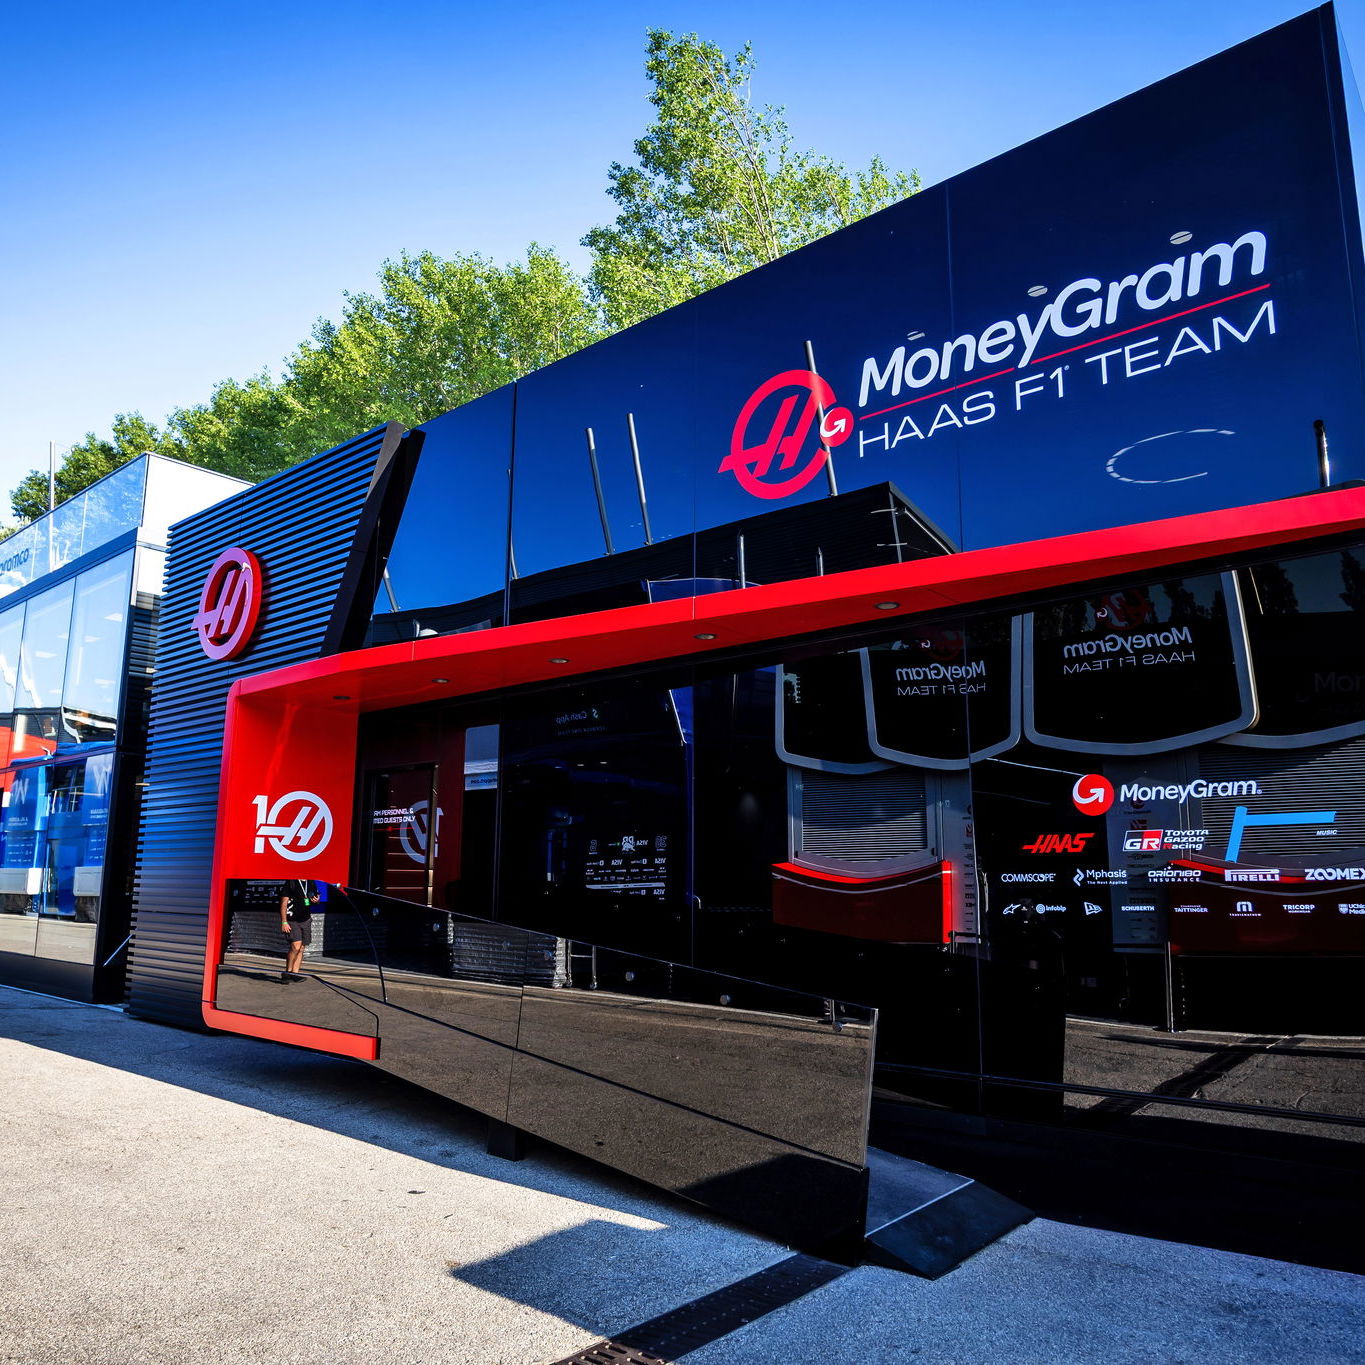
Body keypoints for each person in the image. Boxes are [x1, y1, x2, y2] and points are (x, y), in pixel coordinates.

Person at [279, 879, 317, 982]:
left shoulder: (311, 882)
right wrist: (284, 921)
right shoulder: (291, 882)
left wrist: (315, 900)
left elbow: (314, 896)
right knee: (295, 946)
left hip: (306, 919)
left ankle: (295, 973)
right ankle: (287, 972)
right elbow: (284, 903)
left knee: (301, 948)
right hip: (292, 920)